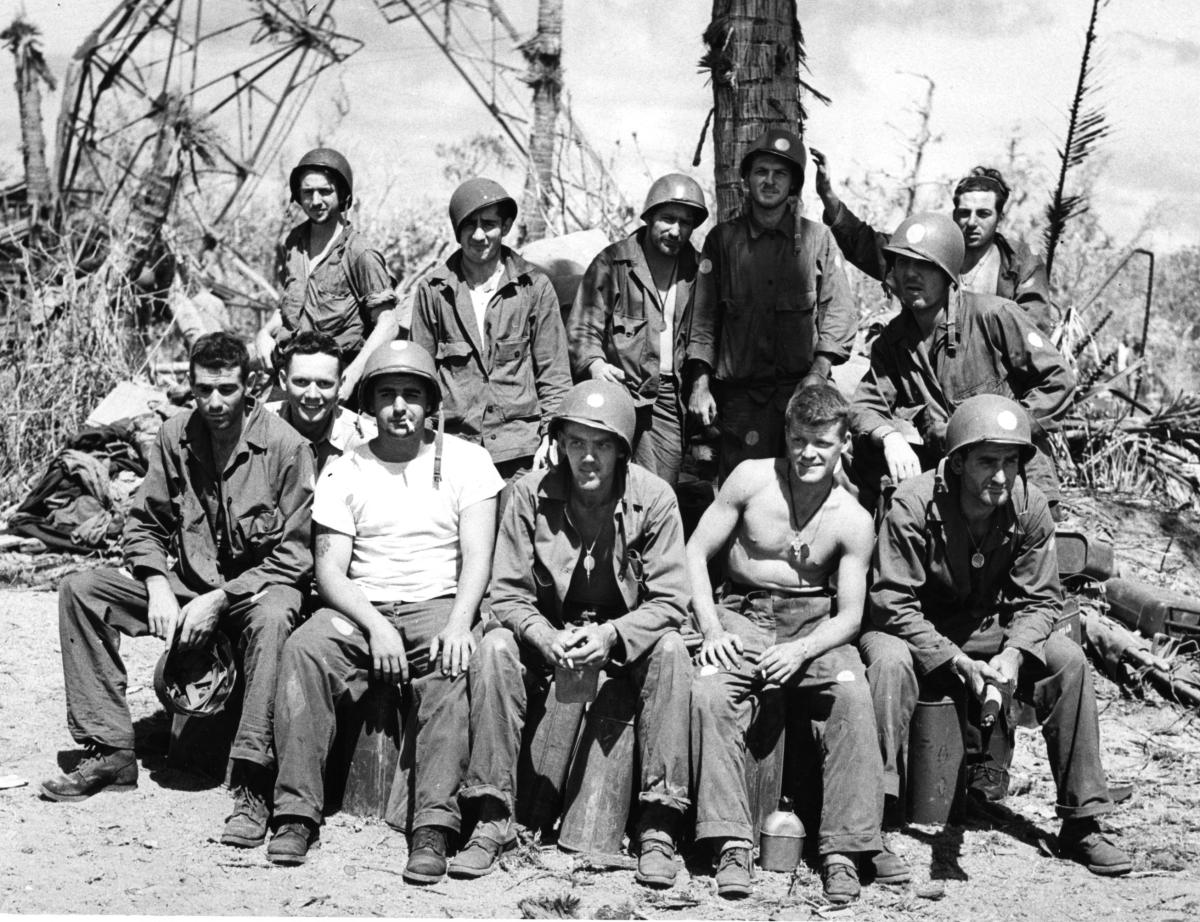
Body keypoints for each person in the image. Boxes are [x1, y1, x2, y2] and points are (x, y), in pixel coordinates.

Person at [42, 332, 314, 854]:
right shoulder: (174, 437)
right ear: (190, 386)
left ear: (251, 385)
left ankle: (254, 782)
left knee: (277, 613)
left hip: (250, 600)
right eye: (203, 390)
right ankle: (110, 749)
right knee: (81, 588)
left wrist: (221, 599)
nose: (214, 403)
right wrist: (156, 583)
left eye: (227, 390)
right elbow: (143, 523)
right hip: (185, 592)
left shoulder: (285, 447)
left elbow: (295, 557)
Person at [863, 394, 1131, 876]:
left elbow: (1041, 600)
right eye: (988, 461)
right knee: (886, 661)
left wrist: (1013, 654)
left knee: (1067, 661)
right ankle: (869, 823)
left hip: (994, 632)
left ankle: (1083, 820)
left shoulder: (1027, 505)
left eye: (1011, 461)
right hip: (917, 634)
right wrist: (954, 660)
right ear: (959, 462)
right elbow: (891, 603)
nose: (1002, 475)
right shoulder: (913, 504)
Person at [266, 340, 503, 878]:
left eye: (412, 395)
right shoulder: (345, 470)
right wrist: (375, 625)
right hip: (362, 604)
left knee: (450, 666)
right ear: (370, 404)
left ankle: (432, 830)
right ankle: (296, 813)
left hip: (438, 602)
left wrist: (461, 623)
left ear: (430, 404)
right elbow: (330, 572)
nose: (400, 407)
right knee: (305, 648)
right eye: (388, 395)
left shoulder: (468, 461)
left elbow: (478, 558)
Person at [460, 381, 691, 887]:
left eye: (603, 444)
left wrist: (612, 634)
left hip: (623, 637)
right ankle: (492, 815)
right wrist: (543, 636)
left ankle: (659, 825)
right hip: (549, 635)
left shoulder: (654, 498)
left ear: (623, 451)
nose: (588, 457)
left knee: (673, 650)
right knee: (495, 646)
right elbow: (507, 592)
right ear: (561, 443)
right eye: (577, 442)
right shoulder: (529, 492)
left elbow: (672, 600)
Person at [687, 385, 900, 904]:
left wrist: (802, 650)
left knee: (851, 695)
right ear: (786, 434)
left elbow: (850, 614)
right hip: (744, 613)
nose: (808, 453)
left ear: (843, 444)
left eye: (822, 443)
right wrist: (712, 629)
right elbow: (694, 553)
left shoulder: (852, 517)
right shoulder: (751, 480)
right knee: (711, 692)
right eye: (800, 439)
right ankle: (731, 841)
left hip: (815, 627)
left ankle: (844, 851)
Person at [848, 211, 1074, 513]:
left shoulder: (994, 316)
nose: (911, 274)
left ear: (947, 274)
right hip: (947, 479)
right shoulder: (892, 342)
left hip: (1011, 475)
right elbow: (866, 405)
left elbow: (1058, 380)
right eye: (903, 263)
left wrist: (1003, 431)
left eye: (924, 265)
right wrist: (889, 437)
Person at [685, 127, 857, 481]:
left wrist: (818, 374)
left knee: (810, 494)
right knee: (742, 496)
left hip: (799, 396)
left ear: (793, 184)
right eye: (761, 172)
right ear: (746, 180)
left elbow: (837, 314)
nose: (769, 181)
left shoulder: (817, 240)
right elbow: (702, 321)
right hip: (739, 403)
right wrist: (700, 386)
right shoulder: (723, 240)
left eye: (780, 174)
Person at [409, 178, 570, 485]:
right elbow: (420, 377)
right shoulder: (433, 291)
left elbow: (554, 374)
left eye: (489, 224)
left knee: (517, 532)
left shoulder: (534, 288)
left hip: (520, 452)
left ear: (506, 226)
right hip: (453, 449)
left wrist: (552, 436)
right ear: (457, 230)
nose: (480, 235)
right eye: (470, 225)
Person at [567, 173, 708, 486]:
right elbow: (583, 327)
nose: (675, 230)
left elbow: (705, 336)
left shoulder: (698, 270)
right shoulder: (613, 263)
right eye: (667, 219)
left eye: (685, 223)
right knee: (604, 482)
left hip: (668, 398)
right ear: (649, 217)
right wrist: (595, 363)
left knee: (659, 489)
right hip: (617, 389)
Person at [810, 152, 1053, 334]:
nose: (971, 222)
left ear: (1000, 217)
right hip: (929, 367)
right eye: (964, 213)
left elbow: (1033, 328)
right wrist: (828, 196)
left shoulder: (1020, 262)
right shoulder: (930, 249)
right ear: (954, 213)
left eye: (983, 214)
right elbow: (865, 244)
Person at [256, 148, 400, 402]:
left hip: (335, 377)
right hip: (292, 369)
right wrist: (263, 334)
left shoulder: (359, 253)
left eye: (325, 191)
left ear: (342, 194)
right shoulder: (293, 243)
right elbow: (289, 306)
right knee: (263, 435)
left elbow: (387, 323)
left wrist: (352, 376)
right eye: (308, 192)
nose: (316, 201)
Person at [266, 330, 375, 473]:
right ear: (283, 380)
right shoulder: (258, 427)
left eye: (324, 383)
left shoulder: (366, 441)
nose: (312, 395)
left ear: (340, 385)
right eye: (301, 381)